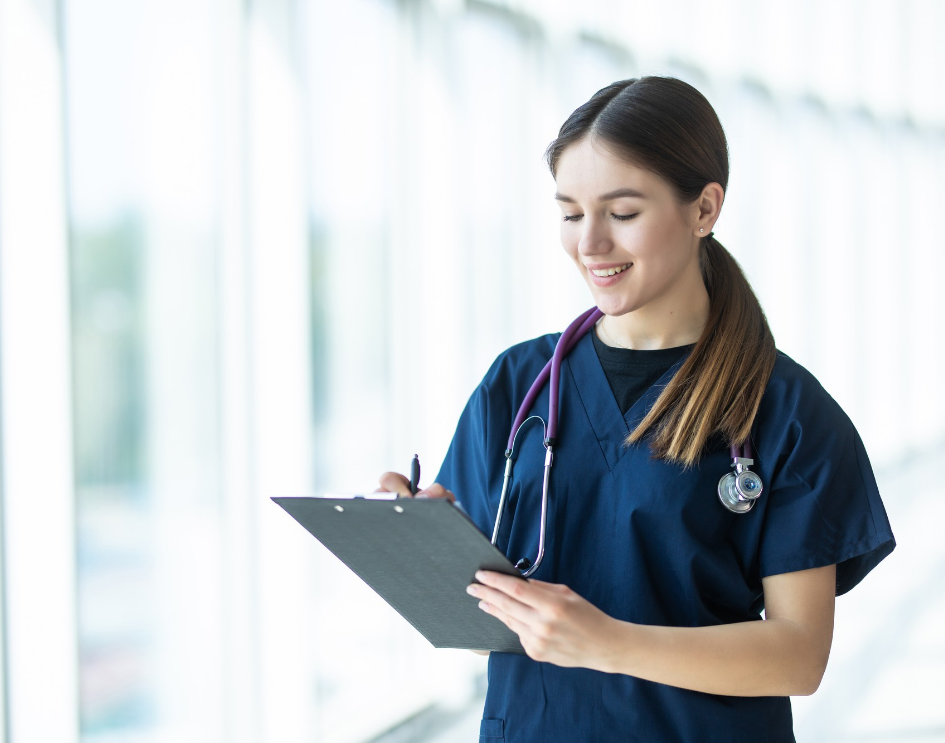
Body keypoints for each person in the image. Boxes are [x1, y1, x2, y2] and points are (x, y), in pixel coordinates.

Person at [378, 76, 895, 743]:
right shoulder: (517, 385)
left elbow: (798, 656)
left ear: (703, 208)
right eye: (569, 212)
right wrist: (413, 545)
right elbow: (484, 634)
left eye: (621, 213)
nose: (588, 243)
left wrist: (607, 641)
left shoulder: (785, 410)